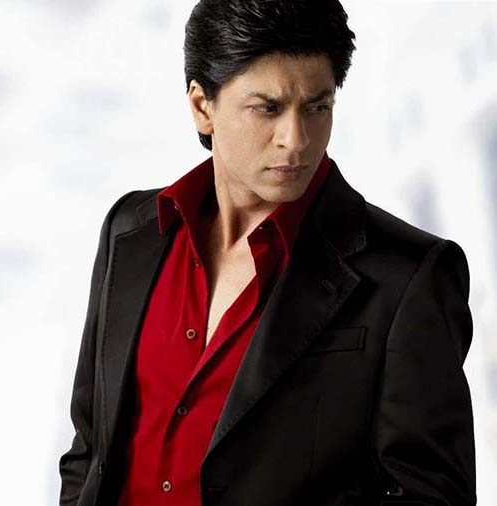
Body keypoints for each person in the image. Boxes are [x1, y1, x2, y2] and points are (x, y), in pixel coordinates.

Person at [58, 1, 477, 505]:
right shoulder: (131, 230)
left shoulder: (407, 277)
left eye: (317, 107)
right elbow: (90, 448)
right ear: (202, 106)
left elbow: (432, 495)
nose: (296, 140)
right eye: (268, 108)